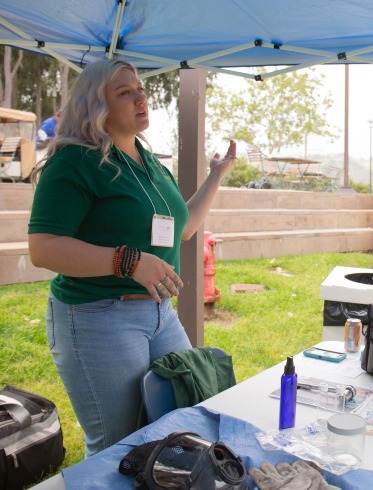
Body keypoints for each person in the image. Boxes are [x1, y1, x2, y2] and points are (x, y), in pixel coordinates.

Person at [27, 58, 236, 457]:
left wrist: (216, 174)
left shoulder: (149, 162)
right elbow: (43, 247)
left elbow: (183, 227)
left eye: (139, 89)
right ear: (95, 104)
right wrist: (128, 261)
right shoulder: (74, 161)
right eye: (124, 92)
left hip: (160, 314)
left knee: (181, 422)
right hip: (98, 316)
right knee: (117, 446)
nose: (140, 97)